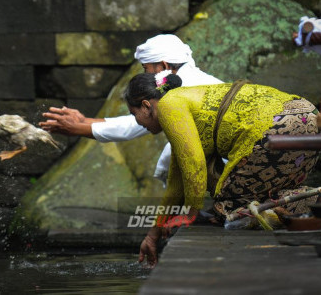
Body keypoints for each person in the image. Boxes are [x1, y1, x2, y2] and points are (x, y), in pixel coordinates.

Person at [124, 73, 320, 266]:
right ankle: (314, 202)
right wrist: (152, 235)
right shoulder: (183, 103)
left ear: (146, 105)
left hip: (277, 126)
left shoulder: (168, 105)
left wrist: (191, 213)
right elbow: (176, 185)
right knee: (267, 198)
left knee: (227, 210)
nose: (137, 122)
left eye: (134, 115)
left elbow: (194, 164)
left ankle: (312, 203)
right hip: (308, 118)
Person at [40, 34, 223, 183]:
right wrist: (84, 121)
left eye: (146, 69)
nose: (145, 75)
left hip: (235, 162)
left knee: (173, 157)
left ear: (164, 66)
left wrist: (79, 127)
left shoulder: (181, 89)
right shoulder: (194, 79)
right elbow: (138, 119)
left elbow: (136, 124)